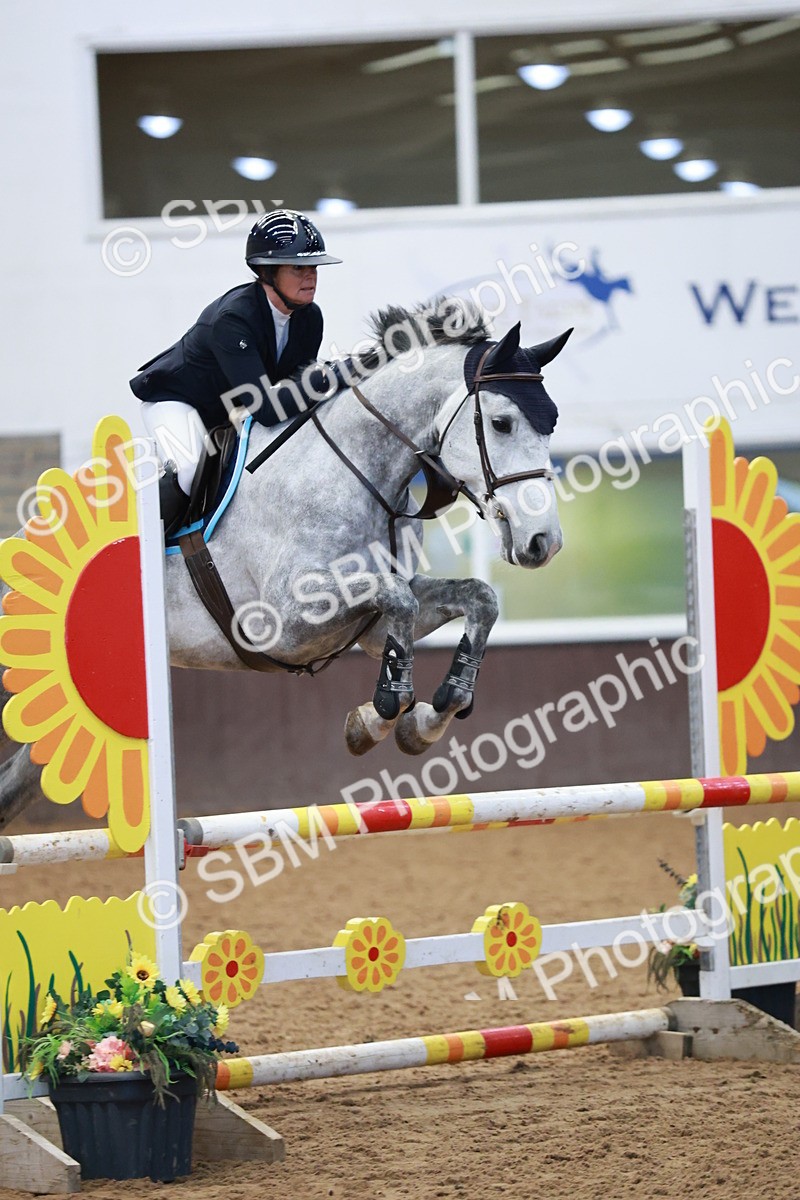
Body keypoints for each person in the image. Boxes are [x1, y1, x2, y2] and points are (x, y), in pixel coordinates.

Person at [130, 208, 343, 533]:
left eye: (314, 266)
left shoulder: (310, 318)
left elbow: (296, 389)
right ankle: (144, 552)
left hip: (229, 408)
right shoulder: (233, 319)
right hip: (177, 400)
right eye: (298, 267)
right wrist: (334, 376)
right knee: (189, 466)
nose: (310, 275)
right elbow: (269, 408)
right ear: (266, 271)